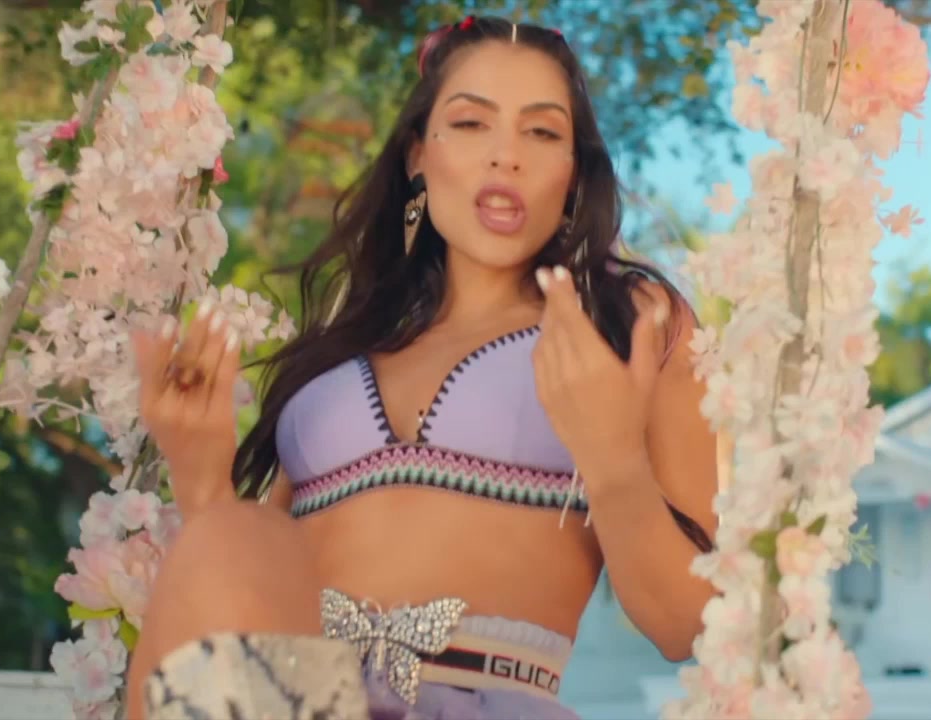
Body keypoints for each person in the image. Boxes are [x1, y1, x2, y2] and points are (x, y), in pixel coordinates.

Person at [125, 15, 719, 720]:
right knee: (233, 533)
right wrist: (200, 474)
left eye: (541, 132)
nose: (506, 156)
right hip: (306, 699)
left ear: (573, 174)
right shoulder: (339, 346)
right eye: (470, 124)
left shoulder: (628, 322)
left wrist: (615, 464)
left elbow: (687, 626)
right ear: (417, 156)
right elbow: (247, 597)